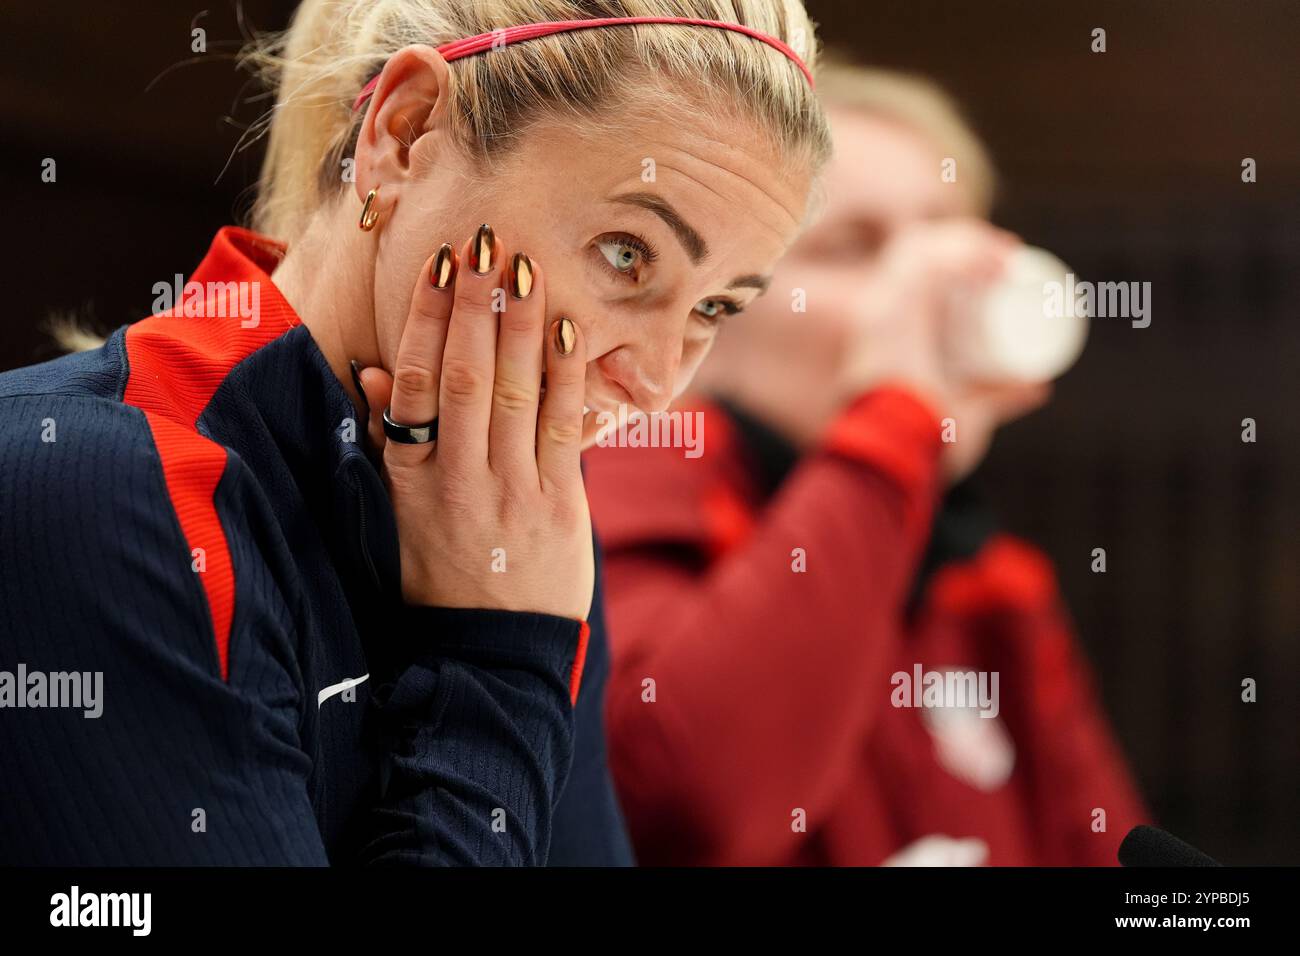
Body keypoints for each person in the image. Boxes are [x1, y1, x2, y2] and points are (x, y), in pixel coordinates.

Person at [0, 1, 830, 865]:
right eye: (626, 253)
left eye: (714, 308)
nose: (658, 383)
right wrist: (501, 664)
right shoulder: (89, 491)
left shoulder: (521, 527)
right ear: (405, 134)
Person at [586, 60, 1149, 866]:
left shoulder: (983, 581)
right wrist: (897, 426)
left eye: (945, 240)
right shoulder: (626, 485)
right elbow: (691, 810)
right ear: (708, 322)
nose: (920, 294)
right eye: (854, 249)